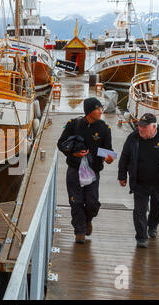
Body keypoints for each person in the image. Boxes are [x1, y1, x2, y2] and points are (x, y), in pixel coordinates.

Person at [118, 113, 159, 248]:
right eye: (139, 126)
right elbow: (125, 156)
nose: (140, 129)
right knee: (139, 211)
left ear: (154, 127)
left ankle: (153, 225)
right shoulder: (133, 138)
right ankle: (141, 237)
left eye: (144, 127)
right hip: (140, 181)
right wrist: (122, 176)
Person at [57, 97, 114, 244]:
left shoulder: (104, 128)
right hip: (74, 169)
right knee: (76, 202)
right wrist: (73, 153)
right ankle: (79, 231)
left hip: (93, 171)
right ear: (89, 111)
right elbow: (61, 143)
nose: (101, 111)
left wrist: (109, 158)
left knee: (92, 203)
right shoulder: (73, 124)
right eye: (98, 108)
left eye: (101, 108)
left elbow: (109, 151)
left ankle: (87, 220)